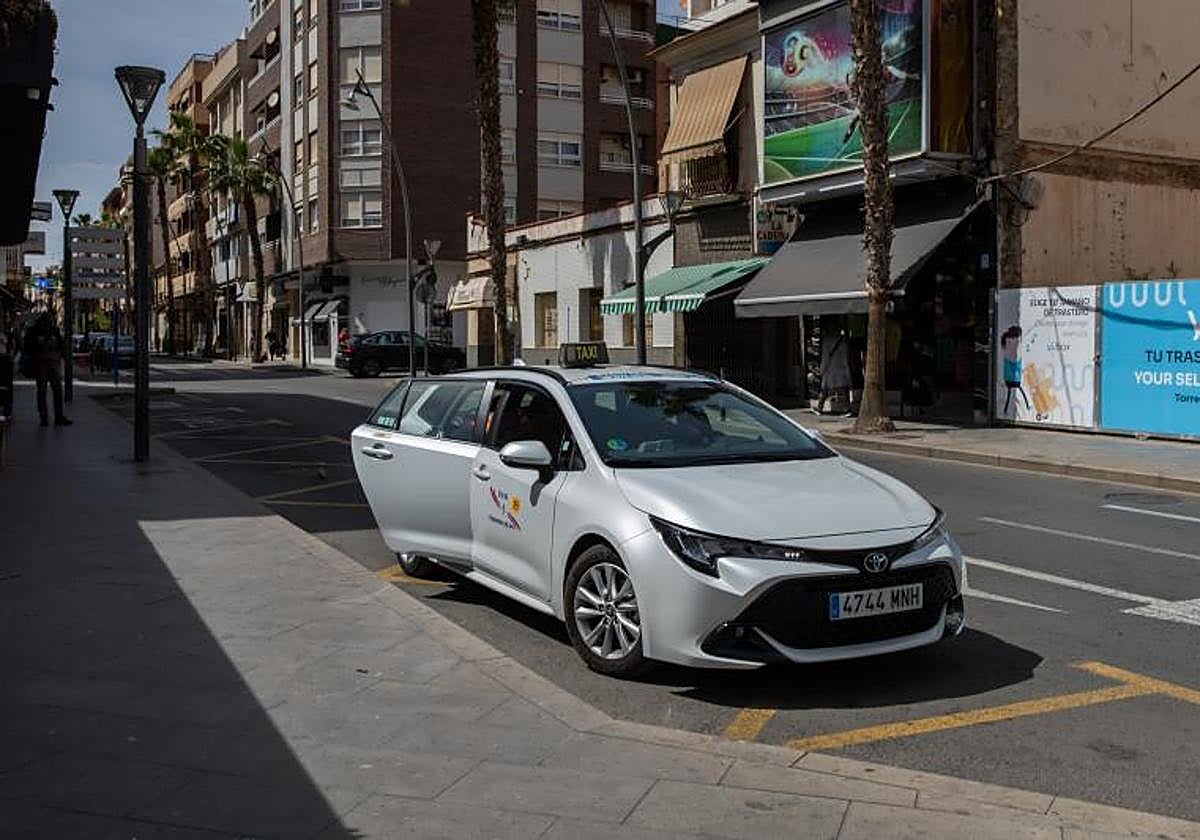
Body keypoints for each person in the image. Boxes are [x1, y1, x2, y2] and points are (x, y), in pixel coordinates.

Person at [22, 311, 71, 427]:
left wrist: (63, 355)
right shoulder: (35, 331)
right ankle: (50, 417)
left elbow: (61, 344)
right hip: (42, 363)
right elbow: (28, 347)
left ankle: (51, 417)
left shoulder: (53, 330)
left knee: (51, 390)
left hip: (50, 363)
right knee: (46, 390)